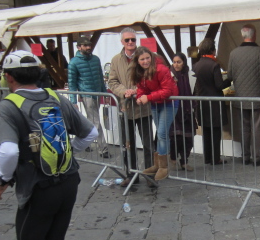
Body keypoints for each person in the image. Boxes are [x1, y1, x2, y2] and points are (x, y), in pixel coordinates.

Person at [0, 50, 97, 240]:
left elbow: (9, 151)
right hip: (69, 180)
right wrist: (69, 153)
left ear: (9, 77)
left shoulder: (6, 107)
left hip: (39, 186)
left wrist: (2, 179)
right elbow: (91, 133)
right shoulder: (56, 98)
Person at [108, 28, 154, 187]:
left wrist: (136, 91)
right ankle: (131, 174)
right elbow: (112, 81)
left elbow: (151, 77)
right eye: (127, 40)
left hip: (143, 108)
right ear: (122, 42)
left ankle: (150, 175)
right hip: (125, 108)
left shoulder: (144, 57)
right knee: (128, 144)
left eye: (133, 39)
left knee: (148, 144)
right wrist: (124, 92)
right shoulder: (115, 60)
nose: (130, 42)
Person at [228, 24, 260, 166]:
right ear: (254, 35)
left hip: (240, 97)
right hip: (257, 96)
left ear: (242, 35)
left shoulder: (233, 53)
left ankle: (245, 156)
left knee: (244, 128)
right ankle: (256, 157)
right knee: (257, 127)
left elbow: (229, 75)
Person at [131, 46, 178, 181]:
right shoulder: (139, 72)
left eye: (147, 58)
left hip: (169, 103)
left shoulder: (161, 69)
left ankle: (163, 166)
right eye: (142, 59)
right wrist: (139, 96)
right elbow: (141, 88)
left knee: (162, 133)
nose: (145, 61)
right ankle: (158, 164)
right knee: (160, 133)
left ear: (151, 57)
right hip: (156, 103)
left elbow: (167, 91)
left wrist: (148, 97)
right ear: (137, 61)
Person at [68, 37, 109, 158]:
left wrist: (105, 93)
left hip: (97, 94)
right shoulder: (73, 62)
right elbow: (72, 83)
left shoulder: (95, 59)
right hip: (87, 95)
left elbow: (100, 77)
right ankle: (103, 148)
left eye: (89, 45)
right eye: (85, 45)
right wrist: (73, 100)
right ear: (79, 47)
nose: (88, 47)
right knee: (95, 121)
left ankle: (84, 142)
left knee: (92, 120)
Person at [193, 39, 231, 165]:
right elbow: (219, 85)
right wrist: (229, 80)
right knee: (215, 131)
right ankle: (215, 158)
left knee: (206, 131)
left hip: (202, 102)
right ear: (212, 50)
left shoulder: (196, 65)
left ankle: (207, 158)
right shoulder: (214, 65)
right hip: (214, 103)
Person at [169, 52, 196, 171]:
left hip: (187, 110)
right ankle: (173, 157)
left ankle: (184, 161)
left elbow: (194, 91)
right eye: (174, 62)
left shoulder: (190, 75)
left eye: (179, 62)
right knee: (176, 137)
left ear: (184, 62)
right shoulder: (169, 75)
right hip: (174, 109)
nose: (176, 64)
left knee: (188, 138)